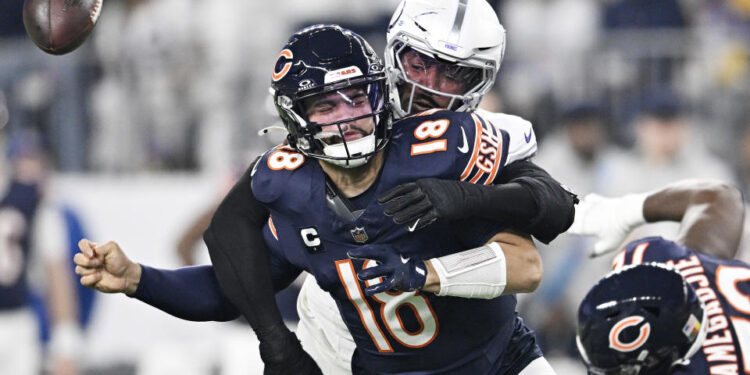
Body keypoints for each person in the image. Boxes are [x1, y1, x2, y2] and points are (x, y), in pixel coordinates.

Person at [75, 24, 561, 374]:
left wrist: (439, 245)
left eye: (356, 98)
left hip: (501, 361)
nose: (346, 117)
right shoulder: (290, 191)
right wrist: (139, 278)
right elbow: (233, 289)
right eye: (325, 105)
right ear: (295, 120)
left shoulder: (441, 147)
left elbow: (532, 254)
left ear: (379, 96)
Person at [570, 179, 749, 374]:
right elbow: (720, 199)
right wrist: (625, 211)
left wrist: (624, 212)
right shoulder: (661, 264)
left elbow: (720, 199)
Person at [0, 131, 82, 375]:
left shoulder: (32, 195)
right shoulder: (29, 195)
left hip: (15, 324)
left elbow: (56, 270)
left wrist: (66, 345)